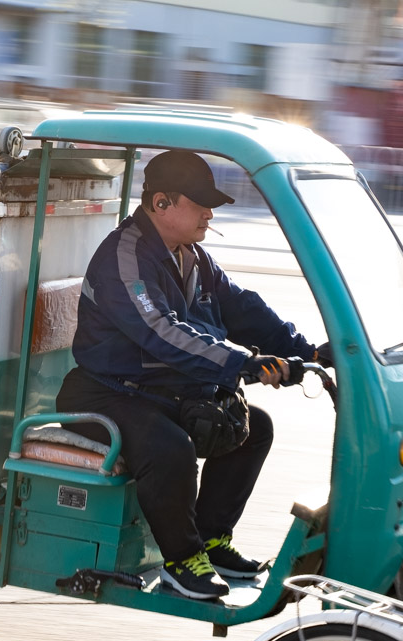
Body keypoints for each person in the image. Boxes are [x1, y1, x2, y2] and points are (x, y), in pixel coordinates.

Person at [55, 150, 328, 600]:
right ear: (161, 203)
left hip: (154, 393)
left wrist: (308, 351)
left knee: (252, 427)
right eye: (200, 203)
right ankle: (181, 562)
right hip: (103, 395)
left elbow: (243, 309)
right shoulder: (124, 257)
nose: (210, 212)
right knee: (170, 447)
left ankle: (213, 540)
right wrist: (242, 363)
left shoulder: (192, 256)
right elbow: (160, 331)